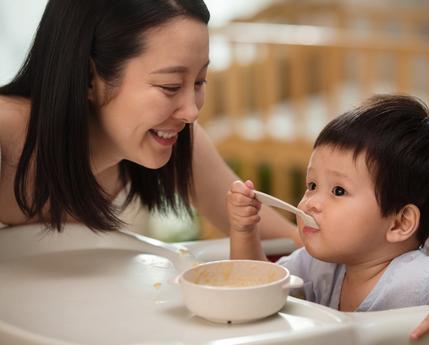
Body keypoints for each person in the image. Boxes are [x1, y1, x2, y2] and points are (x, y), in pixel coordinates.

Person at [0, 0, 299, 245]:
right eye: (170, 86)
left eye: (199, 82)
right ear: (89, 78)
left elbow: (283, 241)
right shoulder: (5, 138)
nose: (191, 112)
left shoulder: (172, 137)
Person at [227, 95, 429, 345]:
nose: (311, 202)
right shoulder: (317, 265)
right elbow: (254, 296)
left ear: (399, 224)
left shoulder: (420, 280)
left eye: (338, 191)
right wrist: (244, 231)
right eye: (312, 185)